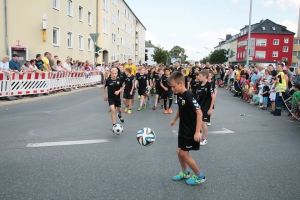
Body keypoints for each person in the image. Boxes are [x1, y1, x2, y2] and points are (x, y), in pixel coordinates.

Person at [169, 71, 205, 185]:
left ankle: (200, 176)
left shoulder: (189, 95)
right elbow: (180, 108)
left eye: (173, 87)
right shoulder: (180, 95)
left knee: (184, 154)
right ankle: (185, 172)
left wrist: (197, 131)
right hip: (183, 128)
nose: (172, 89)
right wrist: (175, 120)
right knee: (179, 151)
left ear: (180, 83)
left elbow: (199, 113)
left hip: (191, 129)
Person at [195, 70, 214, 146]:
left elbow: (213, 97)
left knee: (203, 123)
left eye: (200, 76)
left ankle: (204, 139)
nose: (198, 77)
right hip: (199, 106)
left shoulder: (209, 85)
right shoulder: (198, 85)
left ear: (205, 76)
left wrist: (210, 108)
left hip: (206, 107)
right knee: (198, 122)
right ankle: (199, 135)